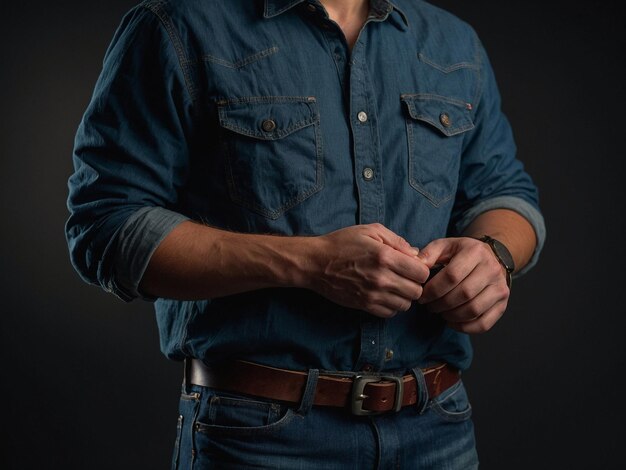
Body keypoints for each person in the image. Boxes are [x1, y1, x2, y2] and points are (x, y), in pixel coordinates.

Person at [66, 0, 546, 468]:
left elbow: (504, 193)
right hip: (259, 438)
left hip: (439, 427)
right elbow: (107, 224)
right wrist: (311, 263)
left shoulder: (453, 41)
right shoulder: (179, 25)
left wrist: (493, 255)